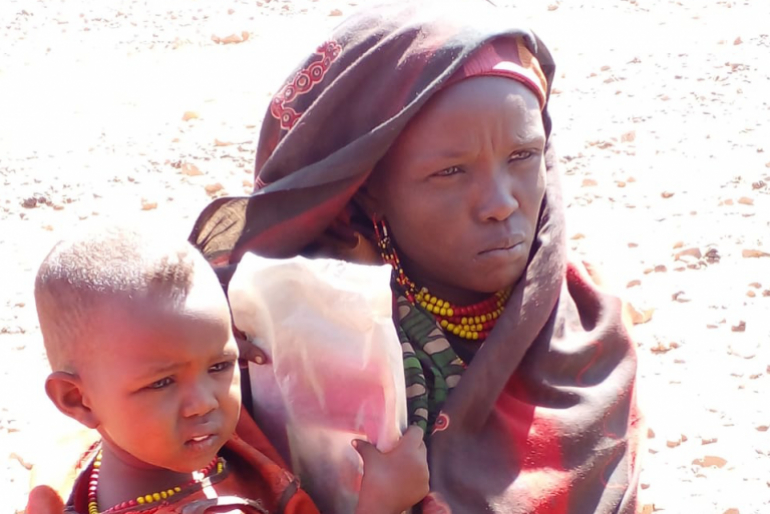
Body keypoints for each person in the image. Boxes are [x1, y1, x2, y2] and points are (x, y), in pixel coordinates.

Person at [189, 1, 642, 513]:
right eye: (450, 173)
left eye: (523, 157)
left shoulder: (583, 328)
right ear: (368, 189)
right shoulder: (281, 336)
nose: (500, 204)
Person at [27, 226, 429, 514]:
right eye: (163, 382)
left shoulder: (81, 462)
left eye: (220, 364)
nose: (204, 402)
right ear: (76, 399)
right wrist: (384, 502)